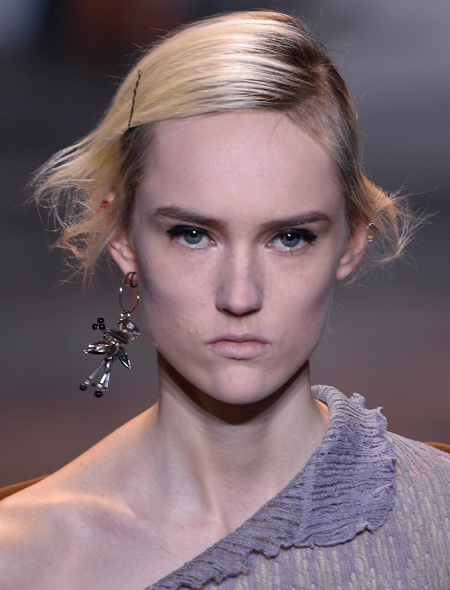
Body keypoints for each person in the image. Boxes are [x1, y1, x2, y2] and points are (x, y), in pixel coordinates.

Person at [0, 10, 449, 590]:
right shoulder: (22, 560)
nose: (240, 296)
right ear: (122, 236)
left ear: (351, 242)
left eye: (290, 238)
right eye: (192, 234)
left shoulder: (439, 518)